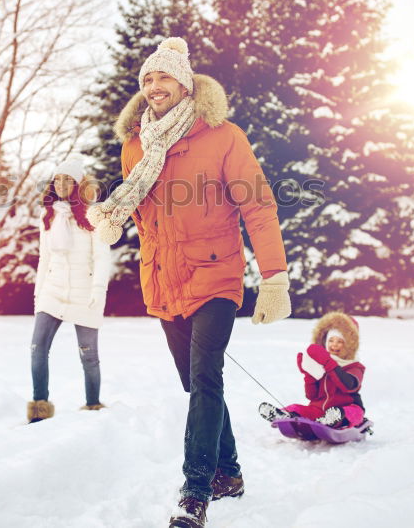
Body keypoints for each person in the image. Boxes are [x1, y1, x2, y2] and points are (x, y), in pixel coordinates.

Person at [87, 37, 291, 528]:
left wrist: (274, 279)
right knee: (195, 383)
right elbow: (146, 213)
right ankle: (230, 474)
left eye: (164, 77)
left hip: (217, 275)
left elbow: (258, 207)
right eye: (148, 79)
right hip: (164, 281)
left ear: (185, 83)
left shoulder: (223, 136)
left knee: (205, 380)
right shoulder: (134, 146)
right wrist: (112, 215)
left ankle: (194, 493)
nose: (155, 86)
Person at [27, 155, 111, 423]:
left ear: (78, 183)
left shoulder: (92, 214)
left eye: (68, 179)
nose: (61, 184)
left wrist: (98, 291)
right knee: (37, 347)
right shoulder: (48, 215)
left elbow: (101, 258)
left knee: (89, 356)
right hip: (52, 291)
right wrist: (39, 295)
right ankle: (39, 408)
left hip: (84, 294)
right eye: (57, 179)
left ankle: (93, 405)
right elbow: (44, 258)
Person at [258, 311, 366, 429]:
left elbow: (349, 386)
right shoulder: (319, 363)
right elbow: (312, 396)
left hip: (347, 408)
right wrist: (308, 374)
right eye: (331, 340)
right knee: (299, 408)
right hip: (320, 411)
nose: (334, 345)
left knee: (352, 413)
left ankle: (333, 419)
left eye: (340, 341)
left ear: (349, 344)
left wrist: (328, 363)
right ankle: (284, 415)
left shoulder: (355, 366)